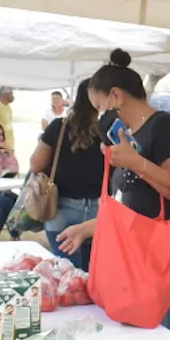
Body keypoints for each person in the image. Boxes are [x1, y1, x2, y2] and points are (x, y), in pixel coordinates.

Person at [56, 50, 170, 339]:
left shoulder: (166, 128)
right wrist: (87, 228)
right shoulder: (128, 136)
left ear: (116, 96)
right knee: (147, 337)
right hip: (146, 252)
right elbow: (136, 208)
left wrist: (136, 162)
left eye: (99, 107)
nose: (98, 116)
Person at [31, 78, 106, 271]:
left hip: (60, 206)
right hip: (98, 209)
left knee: (64, 273)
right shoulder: (107, 130)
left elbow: (36, 164)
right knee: (93, 274)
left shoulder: (59, 126)